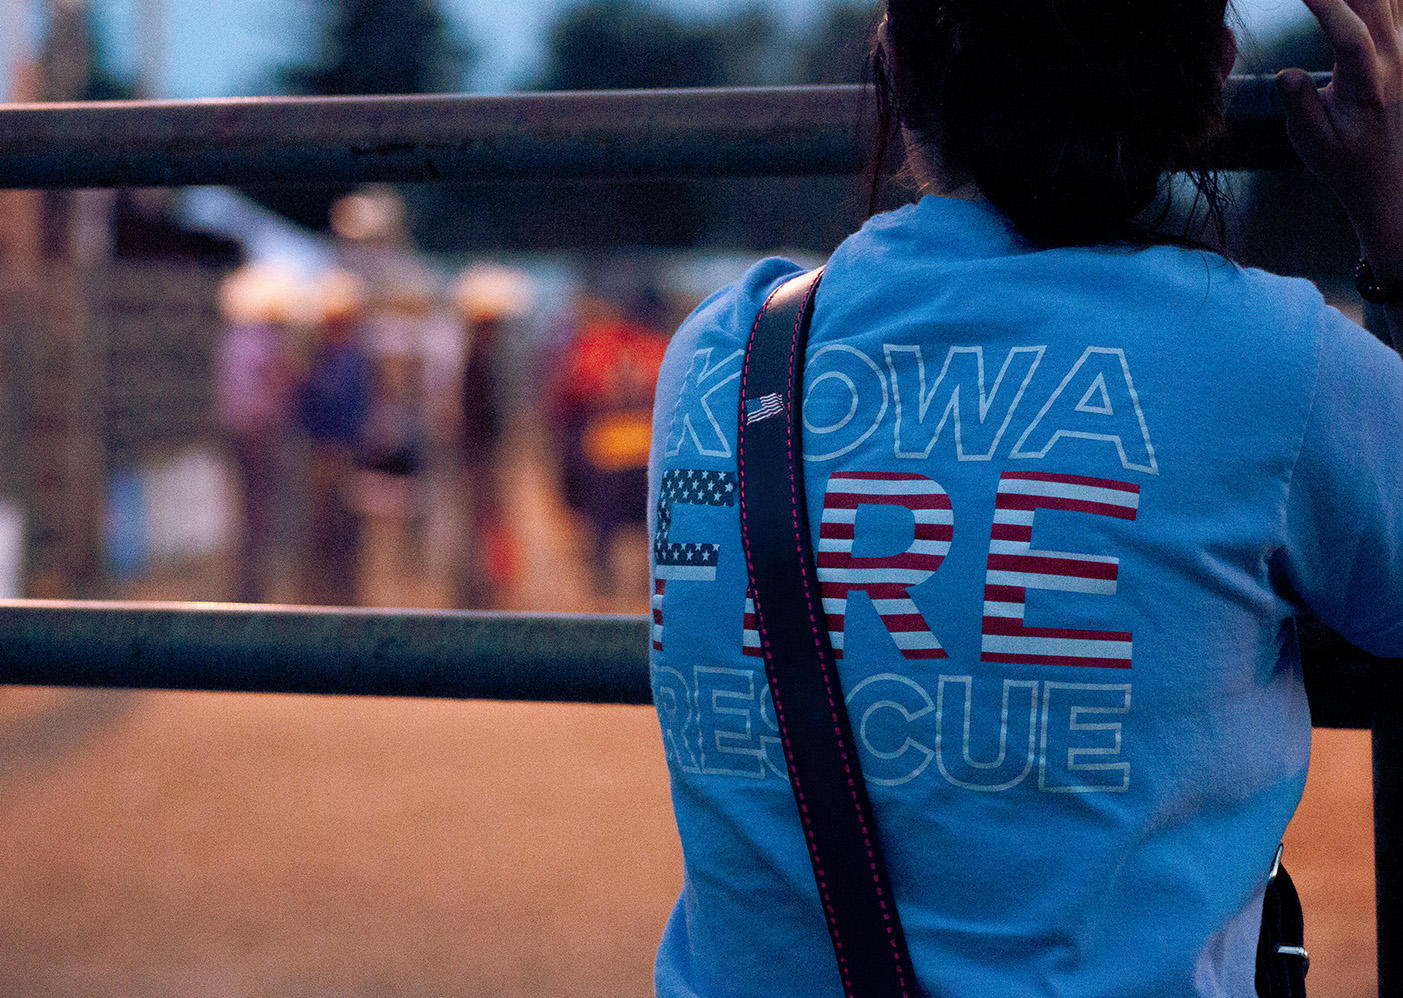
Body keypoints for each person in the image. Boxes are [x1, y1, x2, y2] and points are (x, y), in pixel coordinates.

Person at [647, 1, 1403, 994]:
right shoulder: (1274, 368)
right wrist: (1390, 213)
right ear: (1200, 84)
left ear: (895, 66)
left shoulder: (720, 357)